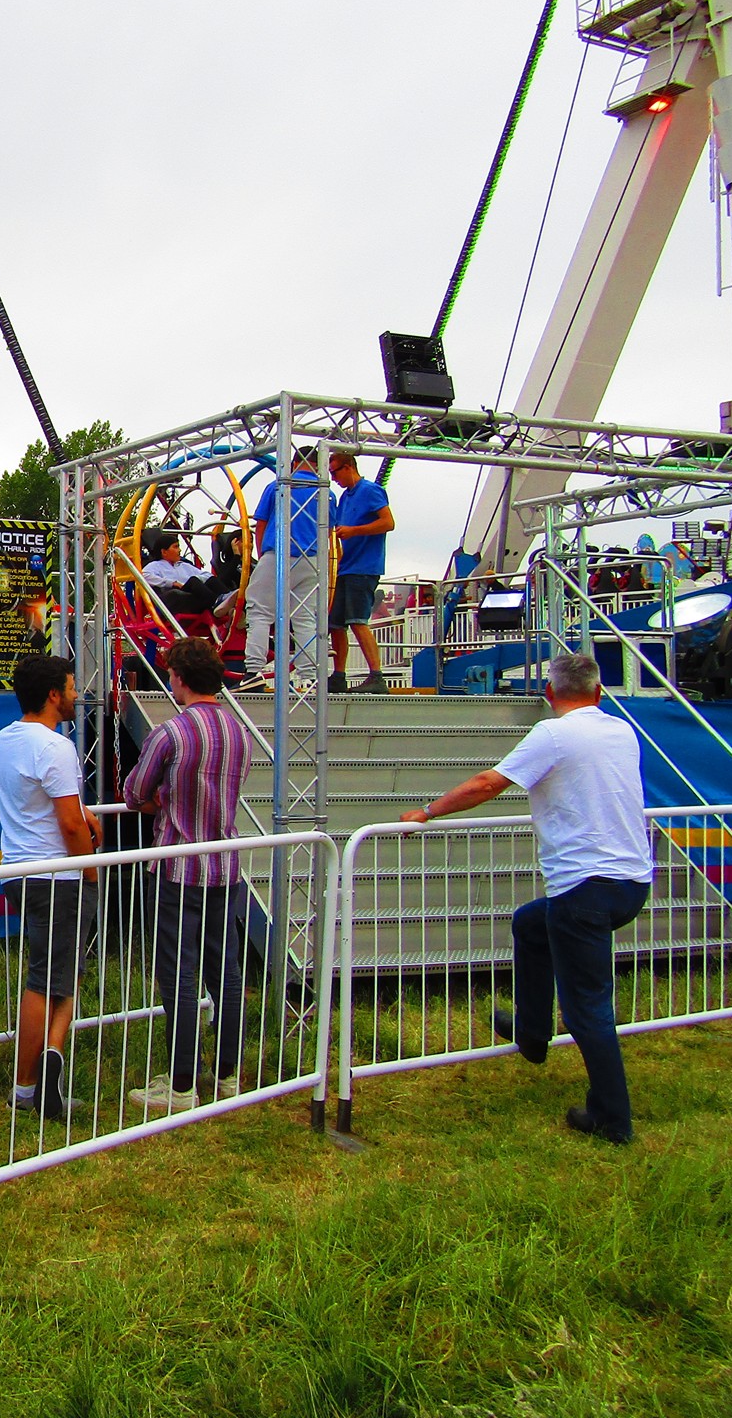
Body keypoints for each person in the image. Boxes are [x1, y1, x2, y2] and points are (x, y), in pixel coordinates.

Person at [401, 652, 652, 1144]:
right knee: (530, 924)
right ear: (600, 692)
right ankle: (532, 1031)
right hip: (632, 881)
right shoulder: (622, 731)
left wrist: (427, 812)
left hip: (585, 886)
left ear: (549, 695)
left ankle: (611, 1117)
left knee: (587, 1009)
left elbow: (487, 784)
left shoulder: (553, 734)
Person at [121, 636, 264, 1111]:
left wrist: (159, 799)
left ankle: (182, 1084)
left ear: (178, 678)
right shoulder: (239, 731)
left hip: (177, 866)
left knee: (178, 975)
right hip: (225, 866)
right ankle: (227, 1077)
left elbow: (134, 791)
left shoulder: (171, 733)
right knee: (226, 974)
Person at [0, 653, 103, 1117]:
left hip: (20, 870)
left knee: (61, 970)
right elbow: (69, 826)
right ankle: (28, 1087)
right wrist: (93, 870)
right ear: (55, 694)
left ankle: (50, 1061)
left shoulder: (4, 739)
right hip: (56, 875)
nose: (78, 694)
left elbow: (57, 808)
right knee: (47, 976)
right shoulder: (55, 746)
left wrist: (85, 815)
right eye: (73, 687)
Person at [241, 449, 324, 690]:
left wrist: (261, 554)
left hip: (278, 554)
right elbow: (328, 529)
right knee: (305, 618)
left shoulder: (277, 486)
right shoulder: (326, 492)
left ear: (295, 462)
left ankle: (253, 671)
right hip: (312, 559)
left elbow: (261, 524)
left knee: (259, 611)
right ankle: (309, 676)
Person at [326, 448, 394, 695]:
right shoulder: (345, 498)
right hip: (346, 567)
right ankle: (339, 675)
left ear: (348, 468)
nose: (334, 478)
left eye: (335, 472)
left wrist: (354, 531)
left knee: (356, 620)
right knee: (336, 623)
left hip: (364, 567)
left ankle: (376, 674)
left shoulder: (370, 491)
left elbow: (388, 523)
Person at [139, 531, 220, 618]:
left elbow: (206, 575)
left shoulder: (184, 565)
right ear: (164, 552)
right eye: (175, 547)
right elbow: (144, 576)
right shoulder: (155, 565)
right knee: (193, 581)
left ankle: (229, 601)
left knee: (212, 579)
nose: (180, 550)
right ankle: (217, 602)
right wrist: (172, 583)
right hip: (174, 597)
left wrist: (201, 581)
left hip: (194, 594)